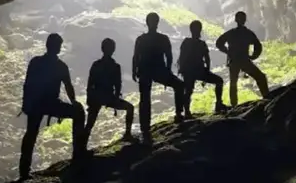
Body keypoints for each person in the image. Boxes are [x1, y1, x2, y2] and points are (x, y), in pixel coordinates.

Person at [19, 32, 86, 180]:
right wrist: (74, 102)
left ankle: (23, 171)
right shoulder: (61, 66)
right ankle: (78, 153)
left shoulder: (35, 62)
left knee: (31, 133)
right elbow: (68, 87)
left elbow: (27, 84)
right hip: (51, 103)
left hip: (36, 103)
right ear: (58, 48)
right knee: (79, 112)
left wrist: (25, 103)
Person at [132, 12, 185, 143]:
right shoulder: (163, 38)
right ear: (157, 23)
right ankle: (179, 114)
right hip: (159, 70)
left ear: (147, 22)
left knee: (145, 99)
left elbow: (136, 56)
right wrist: (168, 71)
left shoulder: (141, 39)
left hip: (145, 71)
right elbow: (169, 56)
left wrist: (135, 70)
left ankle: (145, 128)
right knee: (179, 85)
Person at [215, 11, 270, 106]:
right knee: (260, 77)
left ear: (235, 20)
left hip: (235, 61)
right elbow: (258, 46)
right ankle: (267, 98)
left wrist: (227, 51)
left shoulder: (231, 33)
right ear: (245, 20)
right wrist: (253, 56)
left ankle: (234, 105)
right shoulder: (248, 33)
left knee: (233, 83)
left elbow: (219, 43)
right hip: (244, 61)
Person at [86, 38, 135, 143]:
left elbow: (90, 84)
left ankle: (82, 146)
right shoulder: (115, 66)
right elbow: (118, 85)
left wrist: (89, 99)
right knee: (130, 108)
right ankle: (127, 134)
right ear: (113, 50)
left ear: (102, 49)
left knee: (90, 122)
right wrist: (116, 98)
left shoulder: (96, 65)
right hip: (109, 97)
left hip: (96, 97)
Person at [178, 20, 226, 116]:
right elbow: (207, 59)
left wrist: (182, 69)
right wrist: (206, 71)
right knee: (219, 81)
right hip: (198, 71)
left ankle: (186, 111)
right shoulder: (201, 44)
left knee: (188, 91)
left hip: (190, 71)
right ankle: (218, 104)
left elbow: (181, 57)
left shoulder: (186, 42)